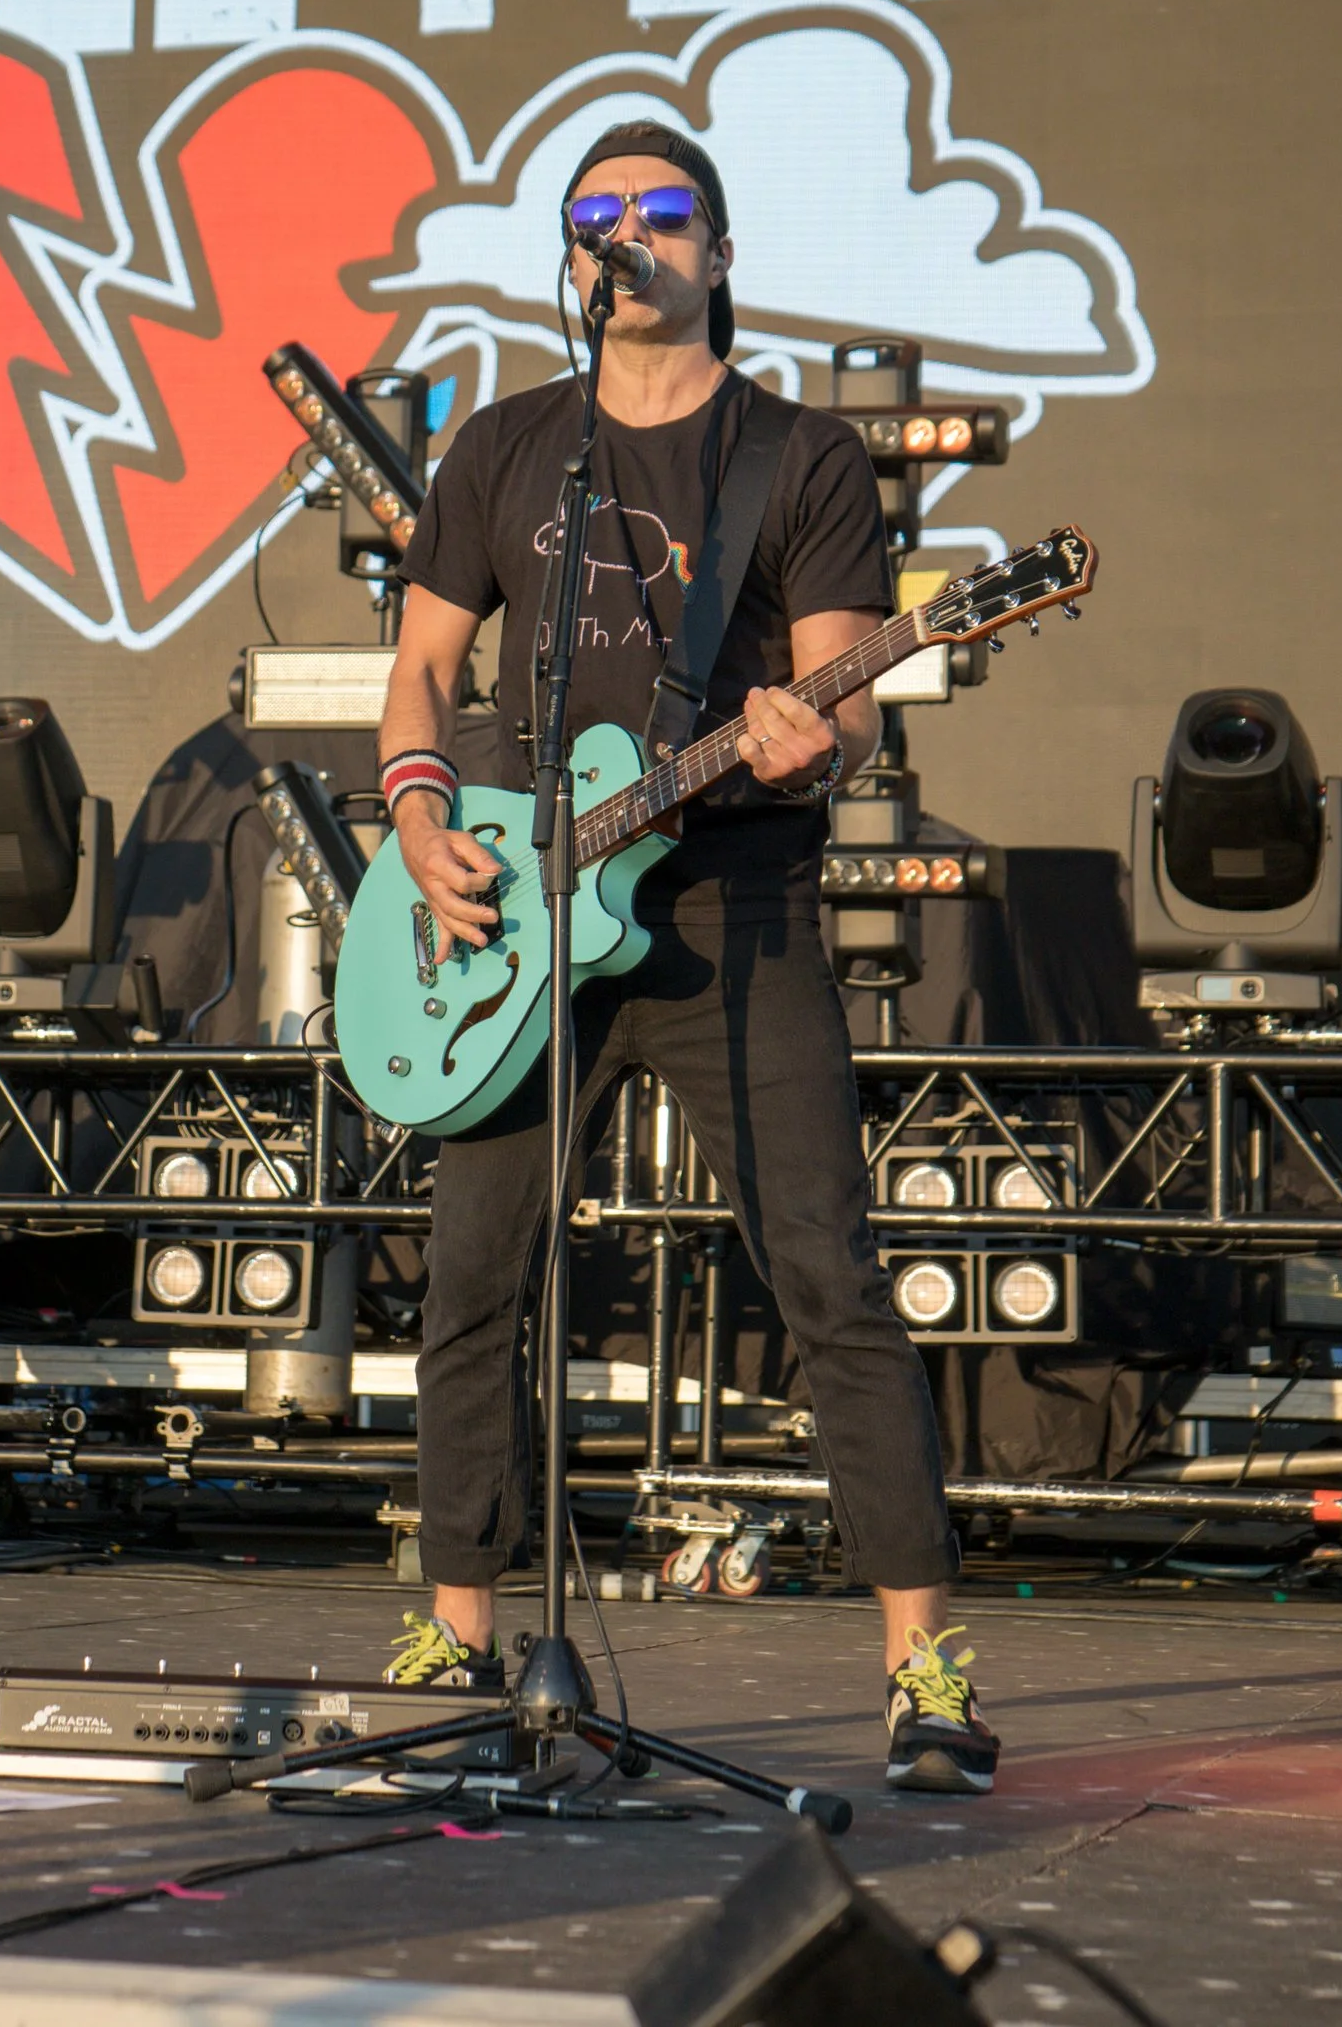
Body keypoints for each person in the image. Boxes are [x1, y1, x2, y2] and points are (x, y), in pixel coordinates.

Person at [369, 119, 996, 1796]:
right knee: (474, 1280)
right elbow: (425, 670)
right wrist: (424, 822)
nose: (625, 237)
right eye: (595, 218)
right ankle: (461, 1629)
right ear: (570, 262)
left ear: (716, 253)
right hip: (520, 911)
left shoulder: (796, 458)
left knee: (824, 1273)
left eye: (659, 215)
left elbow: (841, 693)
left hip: (732, 908)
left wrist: (809, 734)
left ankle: (923, 1664)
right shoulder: (507, 450)